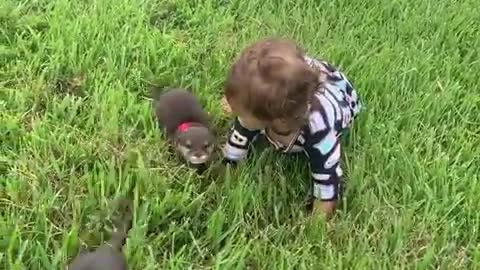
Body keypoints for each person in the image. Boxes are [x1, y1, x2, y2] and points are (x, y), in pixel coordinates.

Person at [221, 37, 362, 217]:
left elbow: (327, 176)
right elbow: (238, 139)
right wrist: (229, 165)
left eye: (239, 110)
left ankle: (251, 99)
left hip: (340, 95)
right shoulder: (264, 113)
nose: (237, 115)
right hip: (297, 86)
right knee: (262, 93)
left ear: (275, 119)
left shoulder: (320, 128)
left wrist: (318, 222)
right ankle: (250, 96)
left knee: (259, 101)